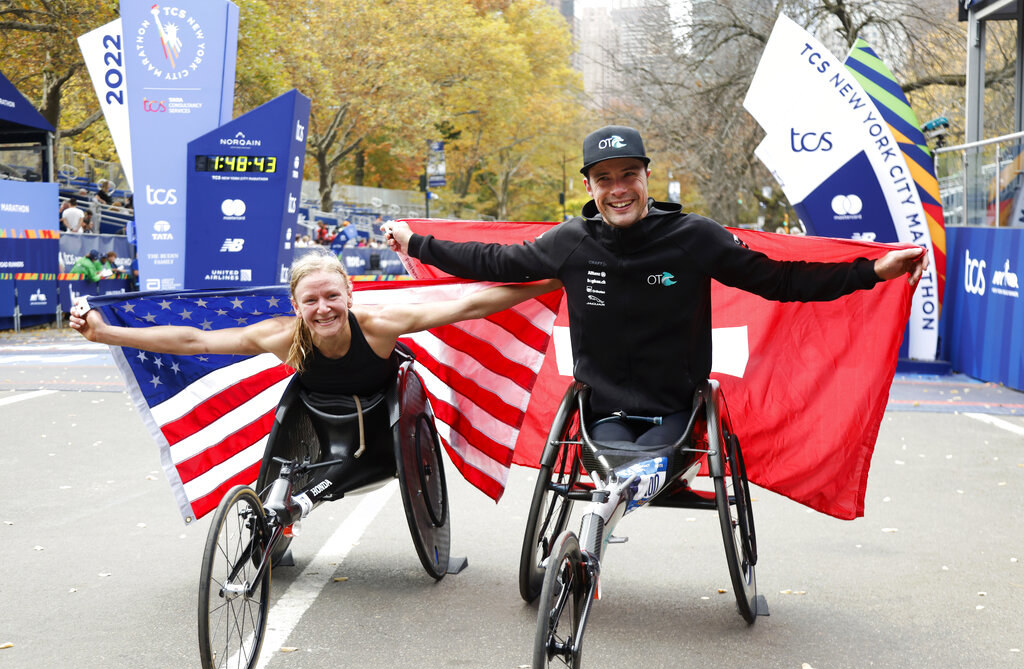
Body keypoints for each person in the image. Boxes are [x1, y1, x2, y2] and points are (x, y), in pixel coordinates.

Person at [383, 124, 929, 445]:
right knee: (615, 463)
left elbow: (779, 280)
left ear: (646, 176)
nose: (618, 189)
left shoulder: (693, 236)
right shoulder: (572, 240)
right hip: (599, 405)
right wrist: (416, 243)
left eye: (628, 176)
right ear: (589, 186)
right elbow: (494, 260)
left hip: (676, 404)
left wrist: (871, 271)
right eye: (605, 179)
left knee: (645, 464)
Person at [70, 249, 559, 402]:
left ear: (349, 295)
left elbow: (470, 306)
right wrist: (103, 332)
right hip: (317, 403)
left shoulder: (381, 324)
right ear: (295, 305)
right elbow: (193, 339)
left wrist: (553, 279)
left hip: (381, 398)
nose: (323, 308)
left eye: (331, 297)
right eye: (311, 301)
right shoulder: (280, 335)